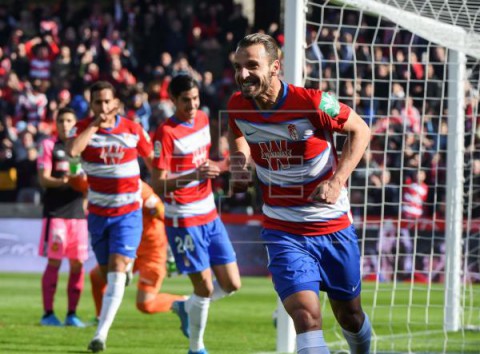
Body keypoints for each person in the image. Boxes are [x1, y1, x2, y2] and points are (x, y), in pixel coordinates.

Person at [227, 33, 372, 354]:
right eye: (238, 67)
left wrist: (337, 181)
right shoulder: (237, 105)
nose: (243, 74)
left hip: (332, 227)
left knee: (350, 316)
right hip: (283, 229)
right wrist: (239, 164)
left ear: (275, 67)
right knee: (306, 317)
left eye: (252, 65)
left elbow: (361, 130)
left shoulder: (314, 102)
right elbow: (236, 131)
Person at [151, 74, 241, 354]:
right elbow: (157, 183)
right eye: (185, 100)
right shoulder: (165, 133)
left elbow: (207, 163)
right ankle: (196, 347)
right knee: (203, 286)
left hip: (209, 213)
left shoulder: (203, 119)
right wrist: (193, 174)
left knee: (231, 284)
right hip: (183, 217)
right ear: (173, 100)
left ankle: (184, 306)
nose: (192, 105)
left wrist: (222, 166)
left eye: (195, 99)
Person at [67, 81, 153, 353]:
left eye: (107, 102)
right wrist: (94, 124)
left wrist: (165, 185)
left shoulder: (133, 129)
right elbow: (72, 151)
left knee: (115, 269)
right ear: (91, 105)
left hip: (128, 212)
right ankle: (124, 270)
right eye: (97, 102)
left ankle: (100, 335)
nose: (103, 107)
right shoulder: (81, 128)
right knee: (106, 272)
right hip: (98, 214)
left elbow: (153, 160)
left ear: (116, 103)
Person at [89, 180, 187, 321]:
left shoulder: (140, 189)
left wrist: (174, 240)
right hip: (129, 245)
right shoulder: (108, 183)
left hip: (152, 250)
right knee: (97, 277)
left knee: (145, 304)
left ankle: (185, 301)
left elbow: (161, 211)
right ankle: (100, 318)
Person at [37, 107, 88, 327]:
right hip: (55, 213)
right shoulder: (49, 146)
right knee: (55, 261)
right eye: (61, 121)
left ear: (76, 124)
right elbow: (44, 179)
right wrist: (66, 182)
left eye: (69, 120)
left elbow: (88, 184)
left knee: (77, 264)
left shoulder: (83, 149)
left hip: (78, 215)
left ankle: (72, 315)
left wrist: (84, 198)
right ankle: (48, 314)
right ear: (56, 124)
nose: (65, 124)